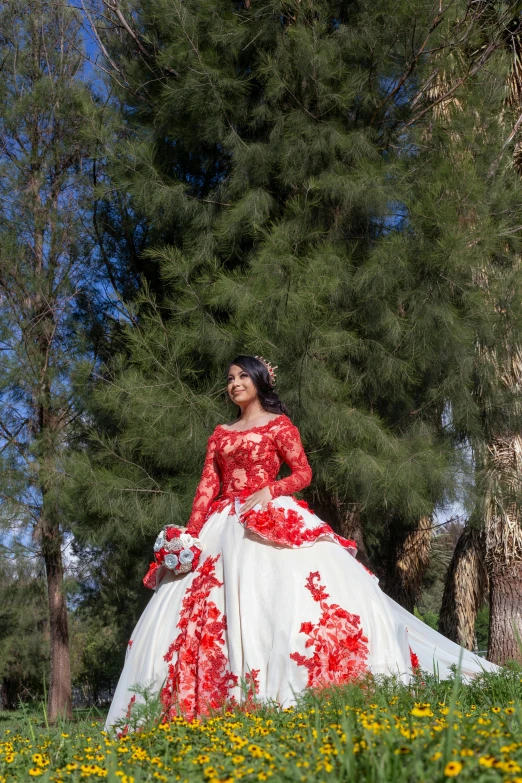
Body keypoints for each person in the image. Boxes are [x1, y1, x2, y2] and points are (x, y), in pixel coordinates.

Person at [105, 355, 497, 729]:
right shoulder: (220, 434)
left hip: (269, 512)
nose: (235, 383)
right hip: (221, 524)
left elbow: (303, 472)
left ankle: (297, 689)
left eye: (242, 376)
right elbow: (207, 487)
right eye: (229, 378)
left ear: (259, 381)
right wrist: (190, 535)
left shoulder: (279, 426)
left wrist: (271, 491)